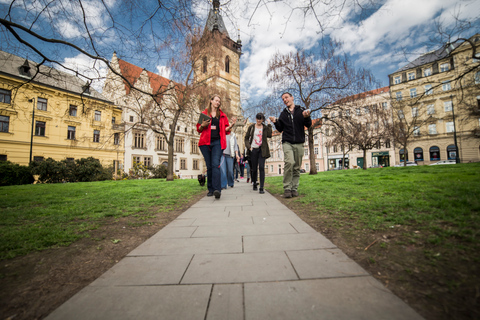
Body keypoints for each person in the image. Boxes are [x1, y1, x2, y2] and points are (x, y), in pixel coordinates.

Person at [269, 92, 312, 198]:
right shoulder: (283, 114)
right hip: (287, 142)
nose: (285, 100)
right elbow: (280, 128)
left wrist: (307, 117)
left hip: (299, 142)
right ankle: (287, 188)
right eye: (283, 99)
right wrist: (275, 121)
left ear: (292, 98)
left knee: (297, 167)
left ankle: (294, 188)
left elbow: (308, 124)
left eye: (286, 97)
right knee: (289, 162)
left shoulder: (301, 110)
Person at [197, 95, 236, 199]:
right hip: (205, 143)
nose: (218, 102)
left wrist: (231, 126)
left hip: (218, 143)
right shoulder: (204, 113)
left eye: (219, 101)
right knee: (209, 166)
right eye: (216, 100)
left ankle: (217, 189)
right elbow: (198, 129)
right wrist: (203, 125)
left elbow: (225, 129)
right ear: (211, 101)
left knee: (215, 164)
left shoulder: (222, 115)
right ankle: (210, 189)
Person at [244, 113, 272, 194]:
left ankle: (261, 187)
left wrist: (269, 124)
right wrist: (249, 147)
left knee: (262, 167)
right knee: (254, 169)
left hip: (262, 150)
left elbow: (270, 135)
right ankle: (255, 183)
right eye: (257, 118)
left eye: (260, 119)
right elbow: (246, 138)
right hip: (253, 150)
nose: (258, 120)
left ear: (263, 119)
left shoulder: (265, 127)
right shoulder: (252, 127)